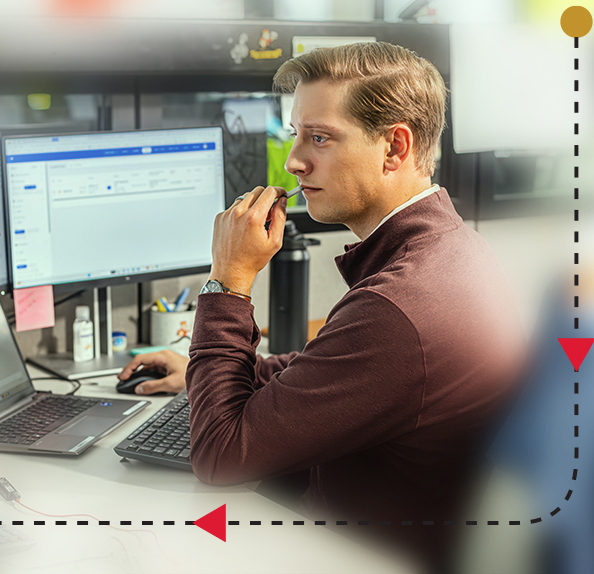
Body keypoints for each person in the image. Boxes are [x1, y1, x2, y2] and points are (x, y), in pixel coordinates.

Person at [117, 42, 525, 568]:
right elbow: (344, 368)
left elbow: (220, 456)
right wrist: (220, 370)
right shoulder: (450, 249)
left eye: (321, 138)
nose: (294, 161)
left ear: (395, 148)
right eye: (296, 134)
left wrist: (230, 280)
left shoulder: (398, 307)